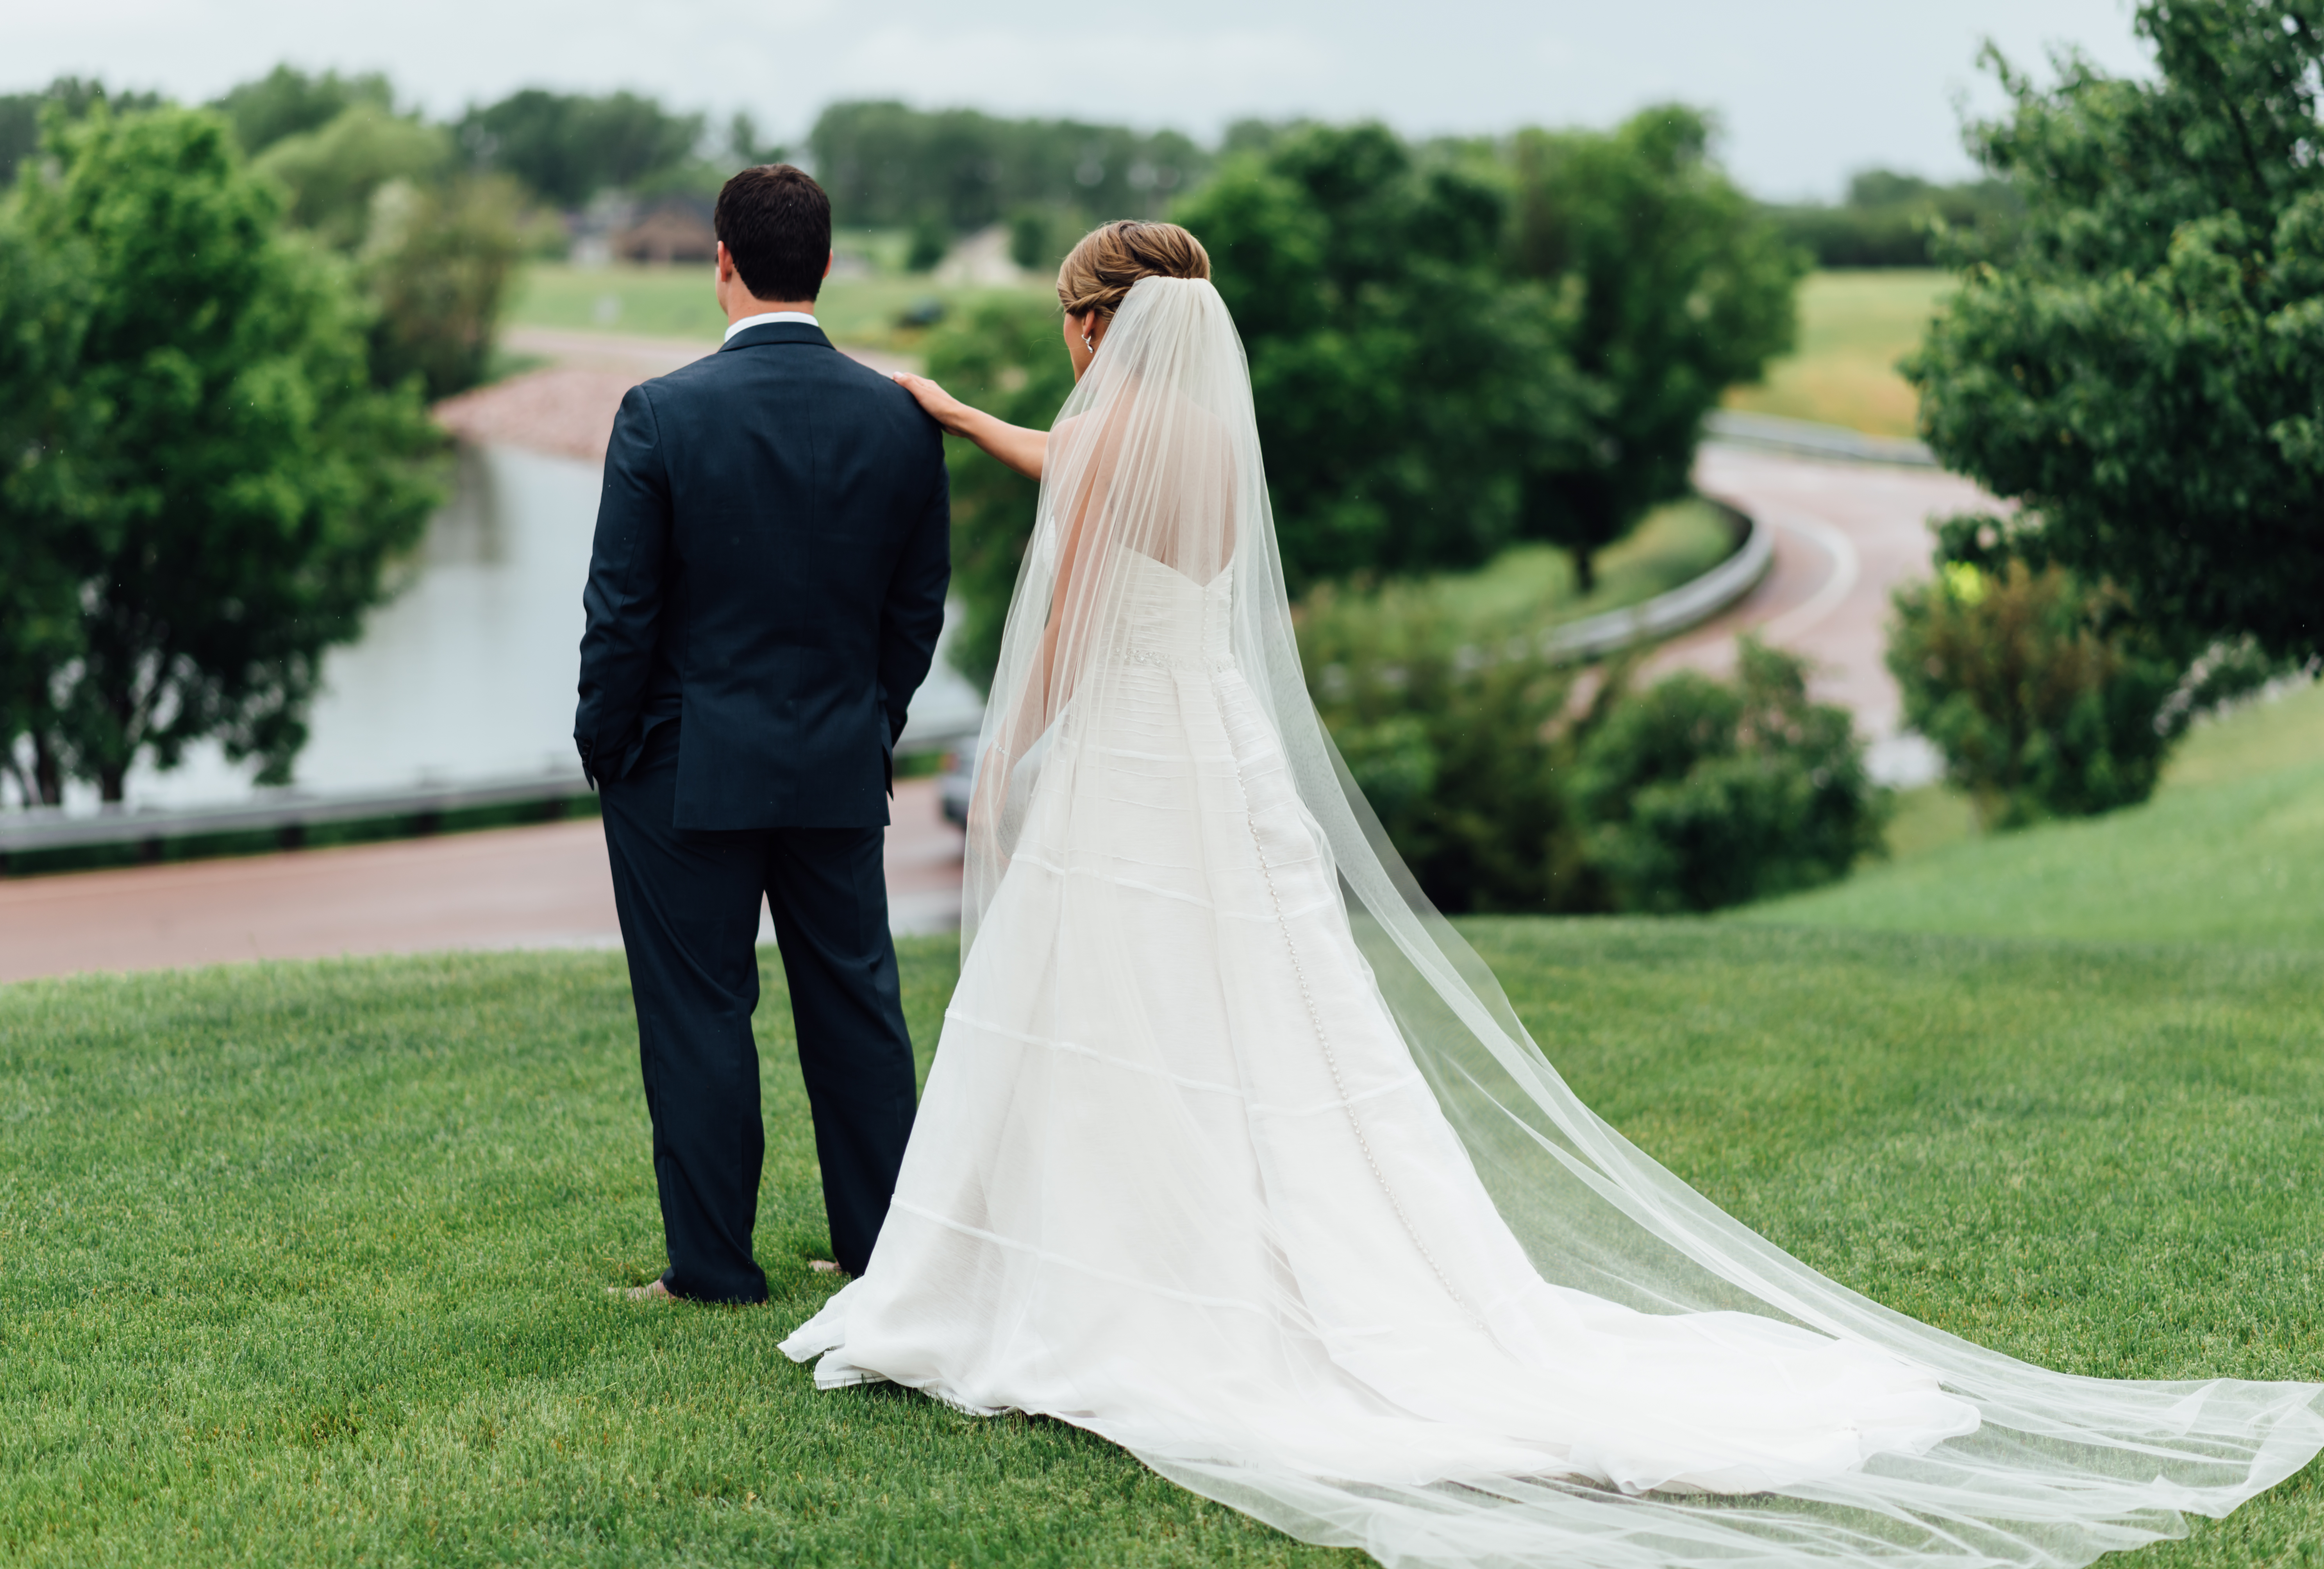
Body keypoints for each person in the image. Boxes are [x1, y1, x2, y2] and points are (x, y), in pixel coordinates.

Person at [780, 218, 2323, 1566]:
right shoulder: (1205, 435)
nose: (1069, 353)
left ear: (1098, 325)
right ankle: (1203, 1256)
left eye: (1070, 328)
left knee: (1116, 1006)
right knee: (1251, 1022)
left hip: (1125, 754)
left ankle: (1101, 1282)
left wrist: (1015, 747)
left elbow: (1064, 588)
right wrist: (968, 415)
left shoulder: (1117, 429)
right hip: (1213, 757)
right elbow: (1094, 484)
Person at [575, 165, 949, 1305]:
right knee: (857, 1007)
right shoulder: (901, 416)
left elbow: (622, 611)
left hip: (683, 770)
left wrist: (607, 743)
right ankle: (883, 1254)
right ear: (826, 266)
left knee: (699, 1011)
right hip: (837, 754)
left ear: (721, 263)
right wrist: (867, 722)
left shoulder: (661, 413)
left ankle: (714, 1269)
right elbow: (915, 608)